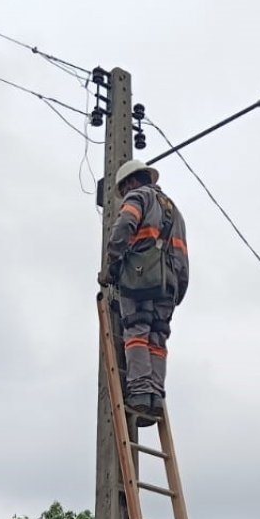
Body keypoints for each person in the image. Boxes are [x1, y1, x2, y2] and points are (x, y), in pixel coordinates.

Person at [99, 159, 188, 422]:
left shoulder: (138, 196)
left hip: (140, 279)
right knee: (157, 339)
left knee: (136, 332)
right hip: (169, 284)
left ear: (130, 182)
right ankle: (155, 397)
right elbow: (183, 256)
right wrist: (176, 291)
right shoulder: (175, 211)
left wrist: (112, 262)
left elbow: (125, 225)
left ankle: (139, 393)